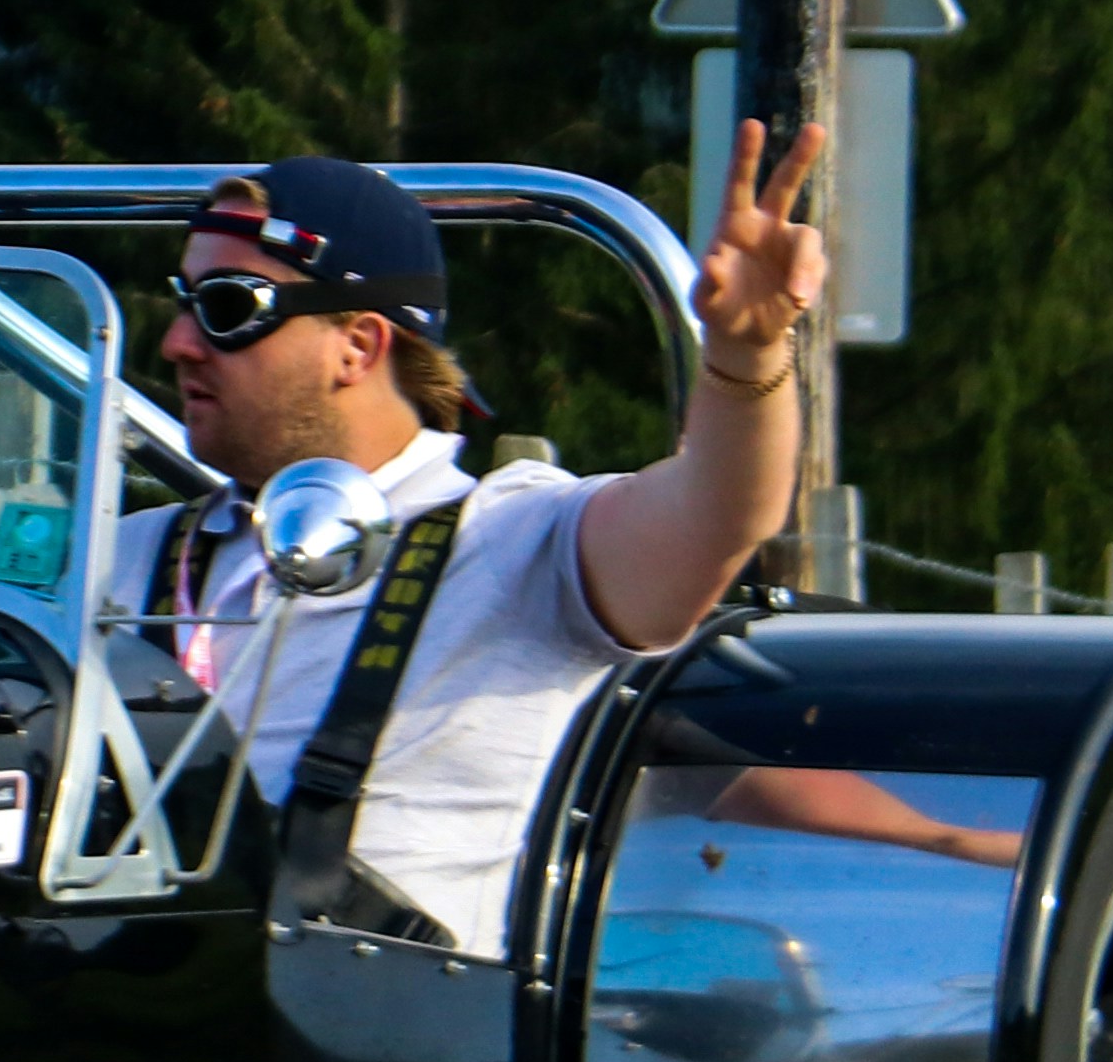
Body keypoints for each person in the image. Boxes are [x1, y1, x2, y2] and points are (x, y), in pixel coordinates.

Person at [127, 127, 877, 950]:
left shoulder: (511, 537)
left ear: (359, 344)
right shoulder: (127, 552)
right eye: (182, 300)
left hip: (366, 1047)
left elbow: (722, 512)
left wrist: (747, 353)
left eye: (227, 306)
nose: (176, 342)